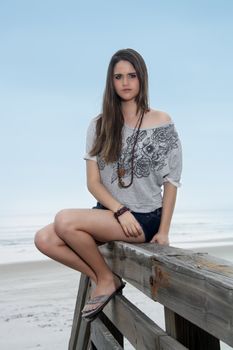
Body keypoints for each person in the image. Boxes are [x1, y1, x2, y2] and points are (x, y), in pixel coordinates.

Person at [34, 48, 182, 321]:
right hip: (112, 214)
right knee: (44, 239)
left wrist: (164, 232)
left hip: (144, 218)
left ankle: (104, 279)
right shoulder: (99, 124)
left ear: (142, 79)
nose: (125, 82)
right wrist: (119, 210)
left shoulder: (162, 122)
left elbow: (171, 182)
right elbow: (93, 182)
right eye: (118, 76)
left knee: (64, 220)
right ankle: (102, 276)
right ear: (110, 82)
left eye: (132, 75)